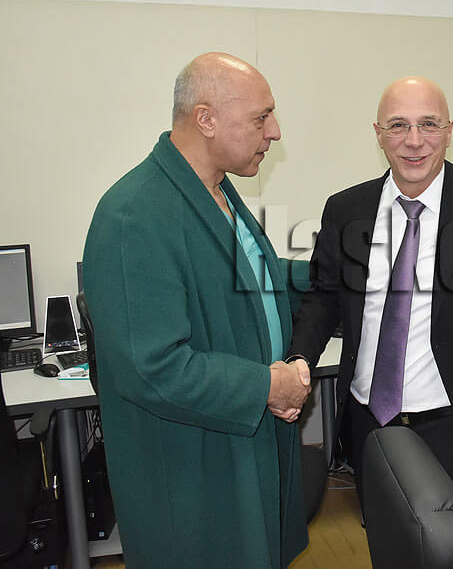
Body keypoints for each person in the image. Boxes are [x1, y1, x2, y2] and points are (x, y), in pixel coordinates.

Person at [290, 76, 453, 526]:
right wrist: (299, 360)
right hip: (370, 422)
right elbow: (323, 298)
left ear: (448, 131)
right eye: (398, 125)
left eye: (428, 124)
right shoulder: (346, 208)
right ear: (378, 134)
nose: (414, 141)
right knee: (386, 538)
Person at [82, 52, 310, 568]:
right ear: (205, 119)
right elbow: (154, 368)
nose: (274, 131)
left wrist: (339, 274)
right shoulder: (134, 215)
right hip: (193, 467)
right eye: (261, 117)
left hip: (241, 442)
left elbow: (251, 278)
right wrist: (266, 386)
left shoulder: (216, 191)